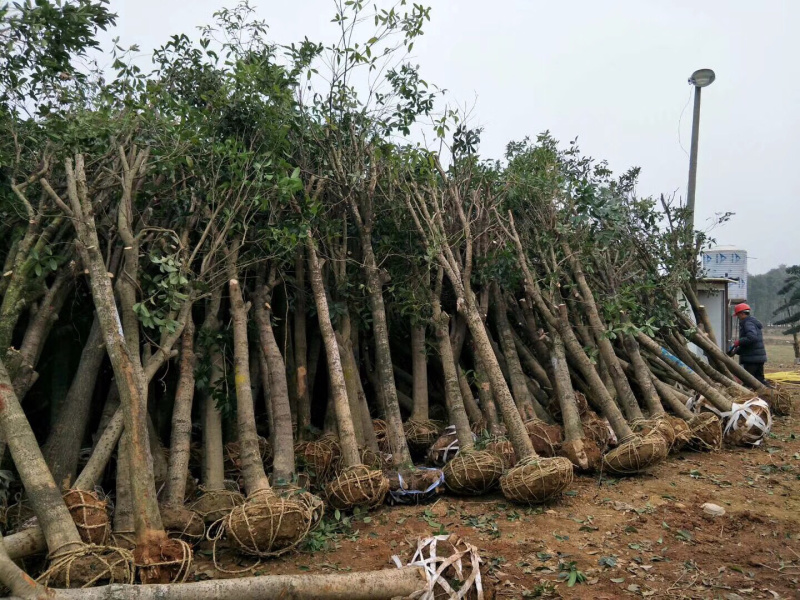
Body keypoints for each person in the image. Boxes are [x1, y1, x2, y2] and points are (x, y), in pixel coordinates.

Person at [731, 303, 768, 385]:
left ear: (742, 313)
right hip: (757, 357)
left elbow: (752, 338)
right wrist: (736, 351)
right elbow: (749, 344)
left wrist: (739, 342)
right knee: (760, 380)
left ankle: (752, 396)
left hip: (752, 359)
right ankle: (769, 395)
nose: (738, 317)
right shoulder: (752, 322)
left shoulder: (748, 323)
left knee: (748, 382)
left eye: (738, 315)